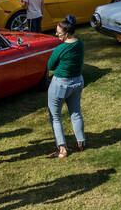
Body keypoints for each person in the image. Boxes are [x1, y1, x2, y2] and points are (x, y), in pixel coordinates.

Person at [46, 15, 85, 158]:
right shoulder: (80, 44)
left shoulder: (60, 49)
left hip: (61, 84)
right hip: (77, 82)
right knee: (76, 113)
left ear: (67, 33)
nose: (56, 34)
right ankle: (80, 143)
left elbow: (50, 66)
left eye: (59, 32)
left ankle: (62, 149)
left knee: (55, 116)